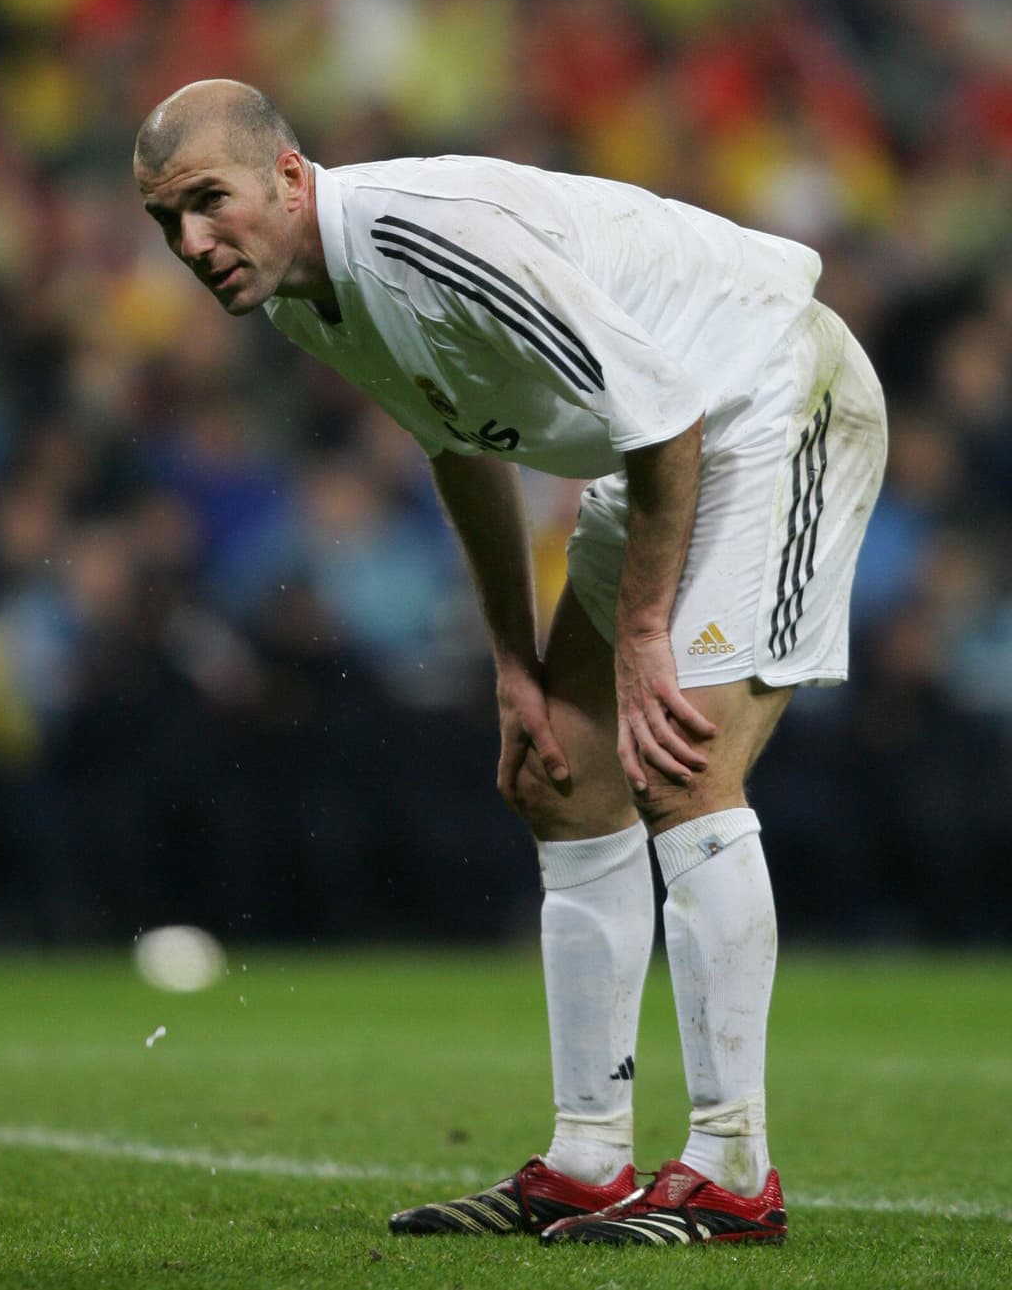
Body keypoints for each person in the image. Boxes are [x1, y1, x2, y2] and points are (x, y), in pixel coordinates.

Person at [132, 79, 887, 1248]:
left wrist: (639, 639)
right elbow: (459, 446)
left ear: (288, 176)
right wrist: (512, 662)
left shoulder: (418, 239)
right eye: (165, 221)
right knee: (556, 775)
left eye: (207, 202)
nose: (190, 242)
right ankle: (588, 1156)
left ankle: (731, 1169)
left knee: (677, 763)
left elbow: (666, 412)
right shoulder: (301, 298)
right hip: (660, 445)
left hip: (765, 404)